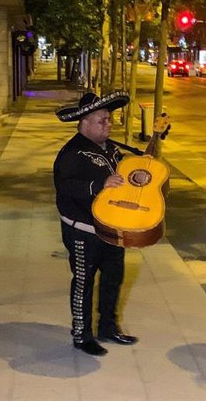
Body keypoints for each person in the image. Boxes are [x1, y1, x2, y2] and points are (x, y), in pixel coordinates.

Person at [53, 91, 139, 356]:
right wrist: (98, 185)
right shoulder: (71, 153)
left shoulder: (112, 149)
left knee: (114, 278)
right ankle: (82, 334)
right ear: (85, 123)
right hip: (82, 231)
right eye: (102, 120)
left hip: (111, 228)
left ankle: (108, 327)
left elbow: (123, 177)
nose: (108, 124)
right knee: (84, 281)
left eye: (109, 119)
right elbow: (65, 187)